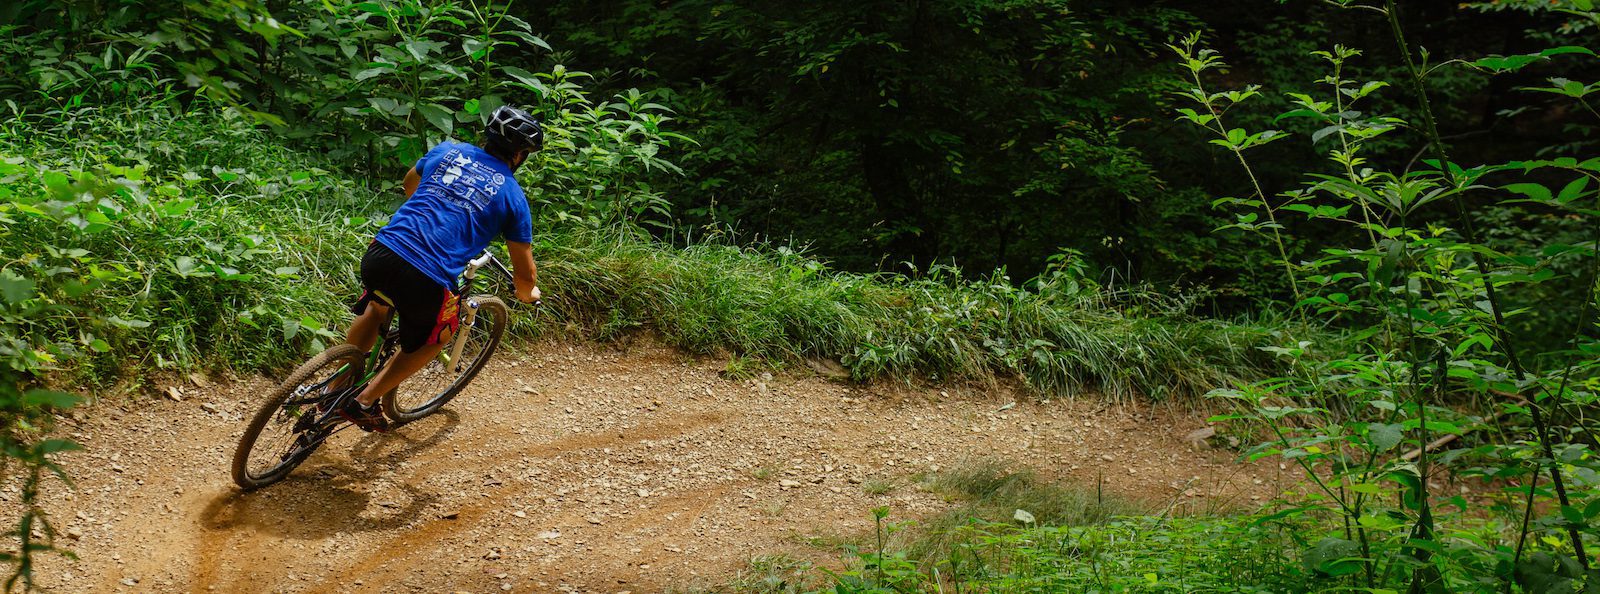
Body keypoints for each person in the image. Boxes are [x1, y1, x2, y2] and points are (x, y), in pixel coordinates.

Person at [338, 106, 545, 432]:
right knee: (438, 337)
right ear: (519, 155)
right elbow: (525, 276)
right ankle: (363, 401)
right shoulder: (512, 196)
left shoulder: (449, 150)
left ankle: (333, 387)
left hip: (381, 252)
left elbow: (409, 186)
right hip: (425, 278)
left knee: (378, 307)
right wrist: (528, 294)